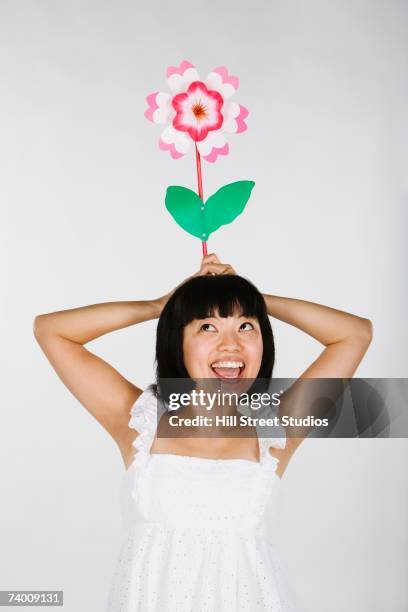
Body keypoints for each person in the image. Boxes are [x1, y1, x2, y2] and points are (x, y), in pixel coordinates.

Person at [33, 253, 373, 611]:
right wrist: (160, 306)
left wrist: (250, 296)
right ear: (176, 341)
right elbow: (51, 330)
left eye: (246, 326)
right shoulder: (138, 422)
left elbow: (354, 334)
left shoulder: (277, 430)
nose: (231, 344)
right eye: (207, 327)